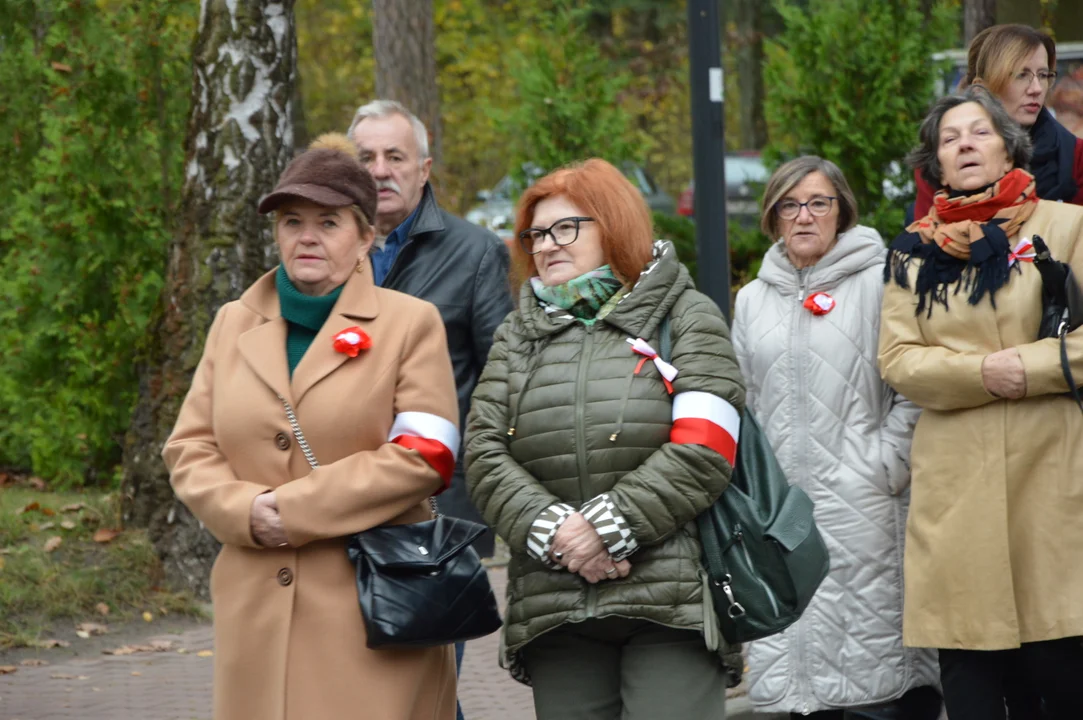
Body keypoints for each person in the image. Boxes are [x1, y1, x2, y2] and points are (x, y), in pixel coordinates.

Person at [163, 134, 461, 720]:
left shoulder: (411, 324)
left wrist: (293, 511)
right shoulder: (232, 323)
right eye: (292, 220)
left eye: (328, 223)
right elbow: (189, 446)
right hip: (253, 608)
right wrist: (243, 510)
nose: (306, 236)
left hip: (371, 605)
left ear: (365, 238)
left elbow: (425, 455)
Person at [465, 158, 745, 720]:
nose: (546, 245)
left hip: (670, 602)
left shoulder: (685, 317)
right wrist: (560, 535)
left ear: (614, 224)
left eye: (566, 227)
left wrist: (604, 529)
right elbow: (482, 454)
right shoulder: (516, 335)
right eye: (536, 234)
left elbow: (705, 447)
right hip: (557, 606)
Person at [879, 85, 1083, 720]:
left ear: (1008, 145)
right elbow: (898, 360)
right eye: (949, 138)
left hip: (1052, 474)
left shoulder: (1067, 226)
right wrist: (982, 374)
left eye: (979, 133)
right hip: (957, 488)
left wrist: (1022, 367)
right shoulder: (912, 251)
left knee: (1062, 674)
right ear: (935, 163)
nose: (964, 144)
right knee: (971, 681)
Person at [731, 156, 941, 720]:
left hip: (868, 509)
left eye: (818, 203)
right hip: (781, 517)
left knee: (877, 680)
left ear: (841, 211)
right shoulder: (752, 300)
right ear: (774, 218)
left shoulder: (882, 282)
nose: (804, 217)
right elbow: (743, 406)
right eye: (789, 206)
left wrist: (883, 469)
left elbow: (915, 389)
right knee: (796, 678)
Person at [347, 101, 514, 717]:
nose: (381, 170)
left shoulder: (473, 253)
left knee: (426, 687)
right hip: (341, 498)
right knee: (357, 685)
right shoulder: (331, 251)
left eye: (395, 156)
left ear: (424, 168)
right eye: (366, 158)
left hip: (436, 510)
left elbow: (503, 375)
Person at [912, 24, 1083, 220]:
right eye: (1021, 75)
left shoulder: (1075, 157)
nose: (1036, 88)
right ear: (981, 87)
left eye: (1043, 75)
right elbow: (925, 241)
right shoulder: (945, 155)